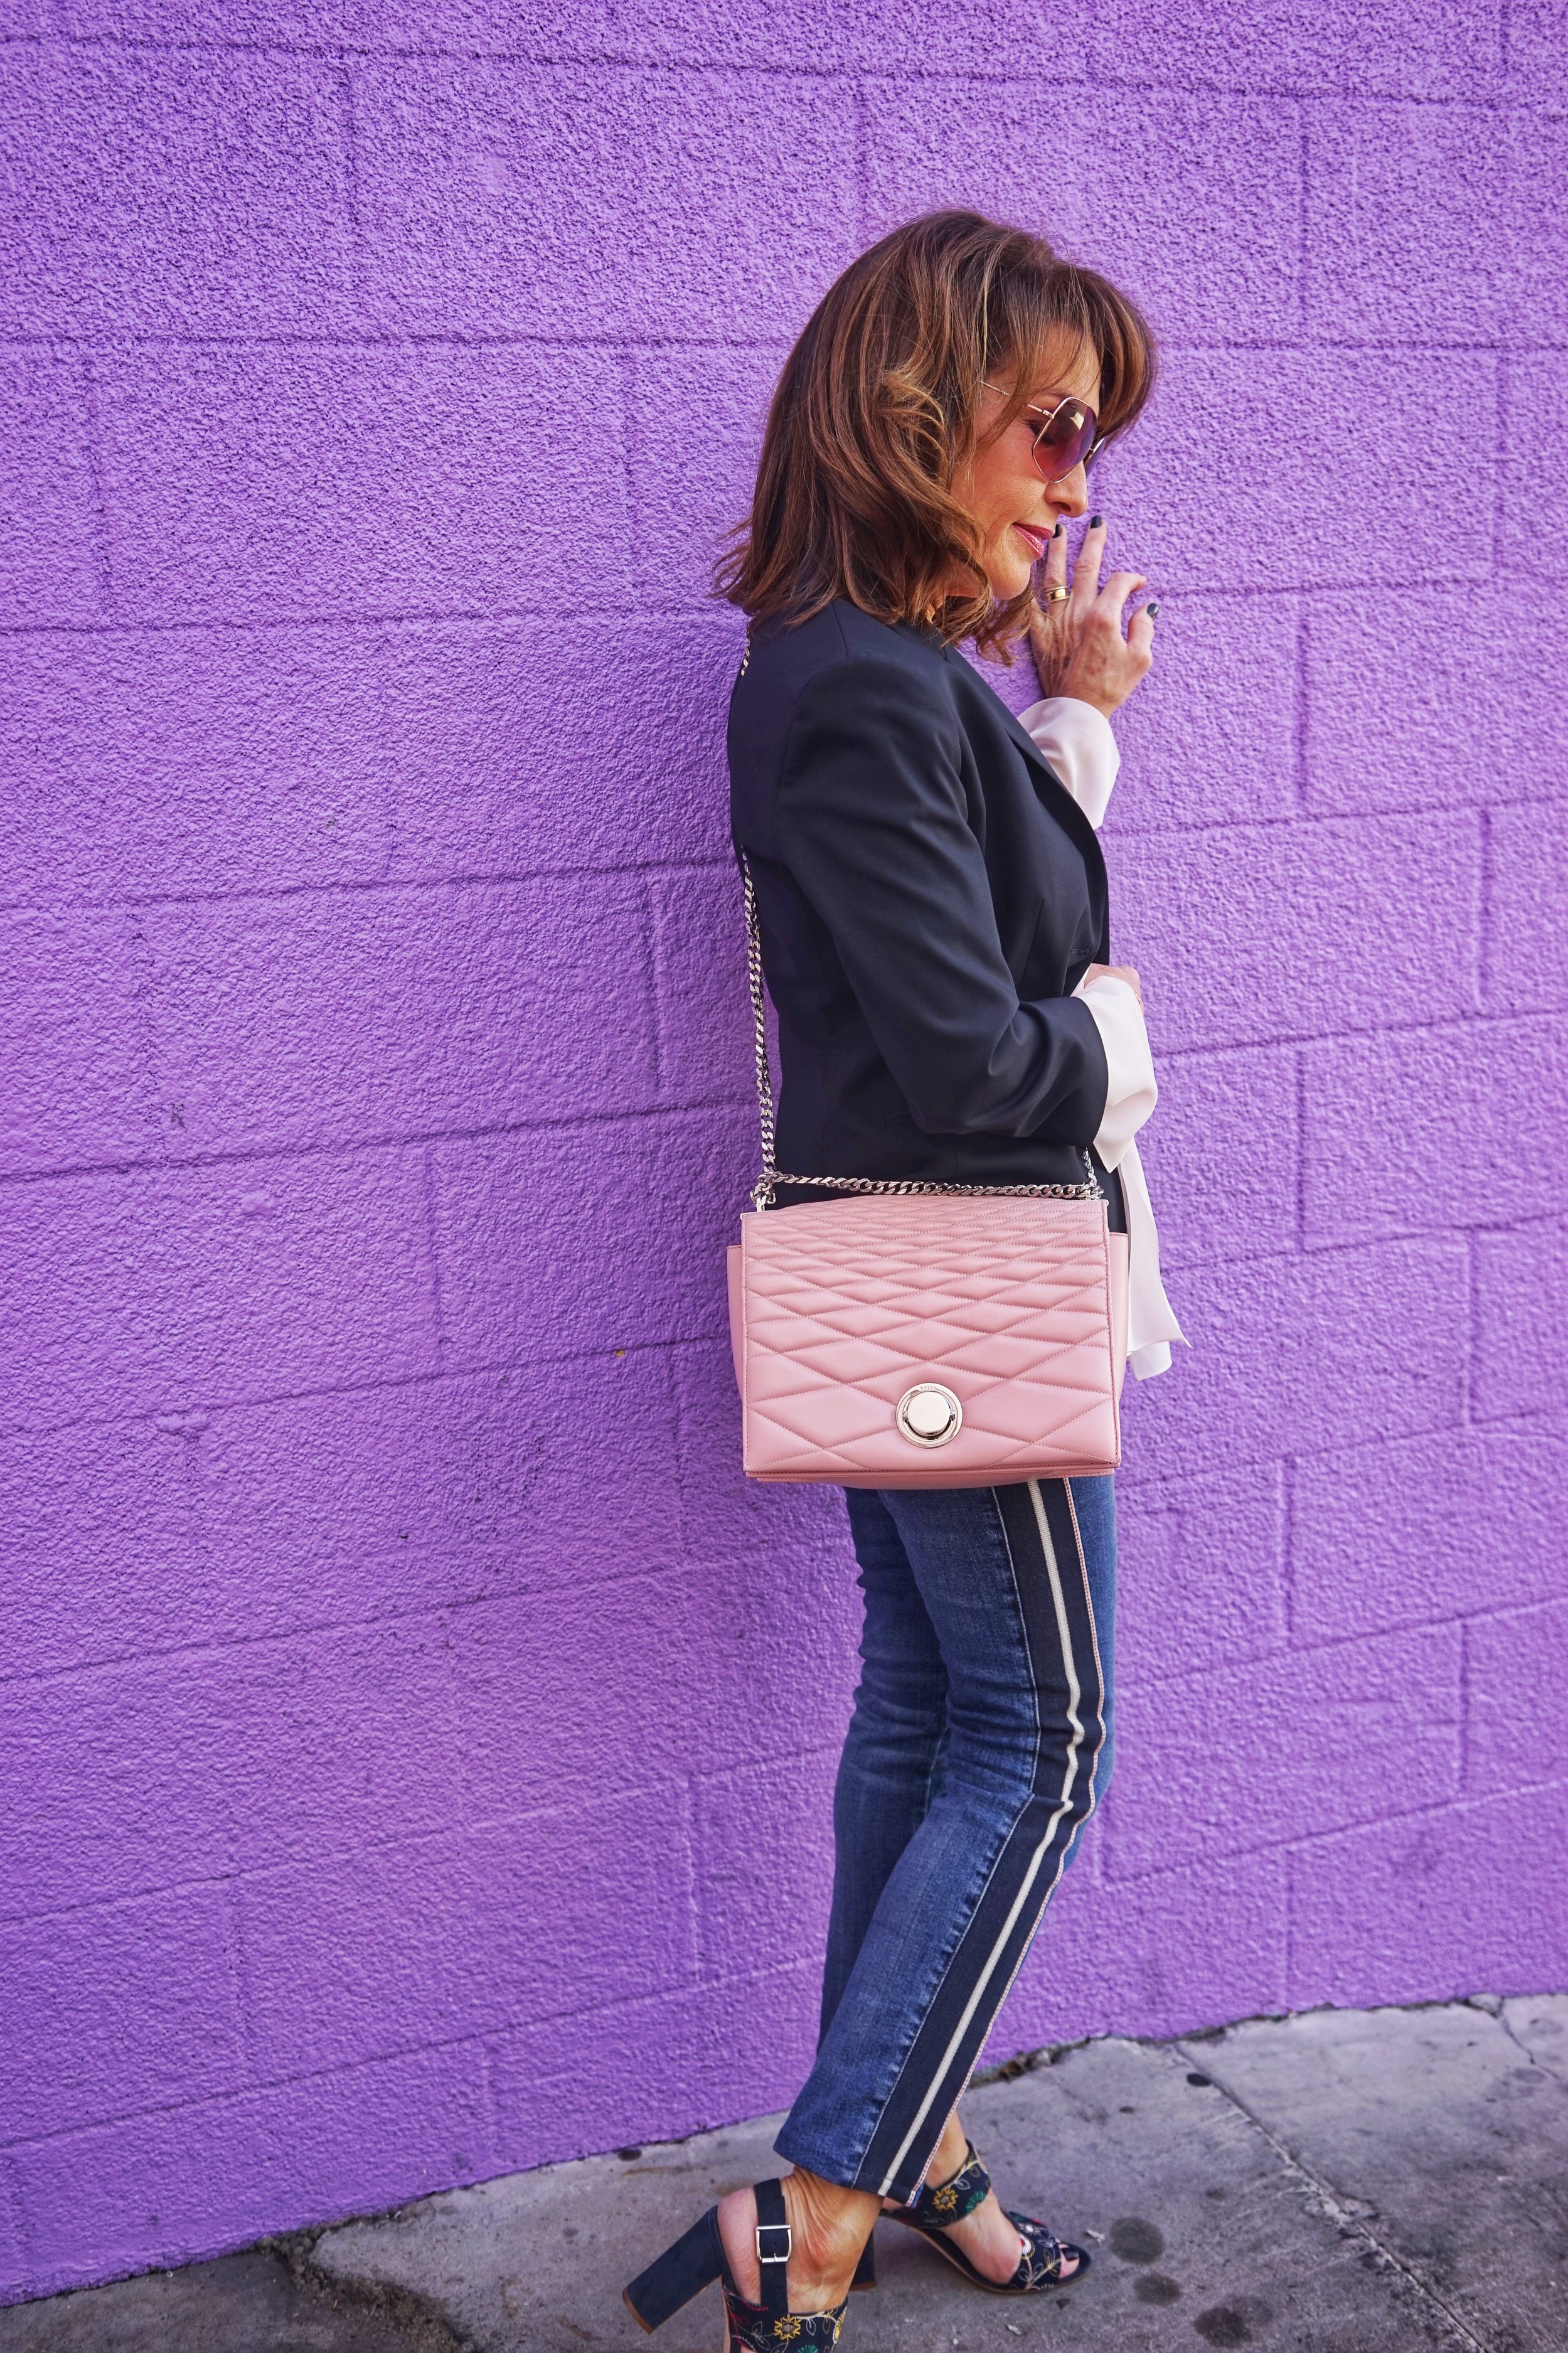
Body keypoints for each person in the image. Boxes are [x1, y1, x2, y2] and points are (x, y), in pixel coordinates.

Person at [625, 210, 1182, 2350]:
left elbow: (975, 928)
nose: (1074, 485)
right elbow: (981, 1056)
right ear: (908, 411)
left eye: (1092, 444)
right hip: (961, 1261)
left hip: (901, 1266)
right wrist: (1125, 1037)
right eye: (1051, 428)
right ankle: (829, 2189)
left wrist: (1067, 719)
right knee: (1038, 1740)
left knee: (927, 1706)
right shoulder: (852, 688)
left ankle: (914, 2138)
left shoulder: (885, 678)